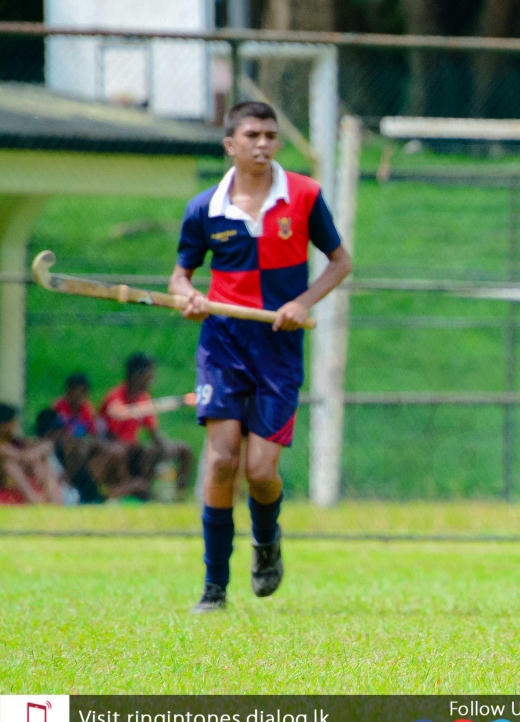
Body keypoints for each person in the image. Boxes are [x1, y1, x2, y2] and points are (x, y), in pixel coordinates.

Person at [169, 101, 351, 613]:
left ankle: (267, 542)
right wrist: (188, 298)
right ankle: (214, 587)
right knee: (222, 459)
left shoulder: (304, 196)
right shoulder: (204, 208)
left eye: (271, 135)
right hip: (223, 345)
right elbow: (180, 276)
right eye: (252, 135)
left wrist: (302, 302)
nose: (264, 144)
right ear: (230, 144)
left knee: (261, 471)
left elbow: (340, 262)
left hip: (277, 349)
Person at [100, 353, 196, 500]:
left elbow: (153, 432)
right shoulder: (115, 397)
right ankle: (138, 490)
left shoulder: (144, 398)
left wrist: (166, 446)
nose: (152, 378)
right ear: (136, 375)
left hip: (136, 449)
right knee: (140, 451)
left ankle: (179, 497)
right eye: (150, 374)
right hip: (117, 449)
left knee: (183, 449)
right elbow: (110, 435)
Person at [0, 403, 62, 505]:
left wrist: (36, 456)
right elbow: (23, 457)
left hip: (24, 475)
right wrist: (34, 453)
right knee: (10, 465)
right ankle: (33, 498)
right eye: (12, 422)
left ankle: (54, 501)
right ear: (5, 425)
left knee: (42, 463)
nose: (14, 425)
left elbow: (28, 454)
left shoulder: (15, 441)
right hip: (4, 481)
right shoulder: (3, 446)